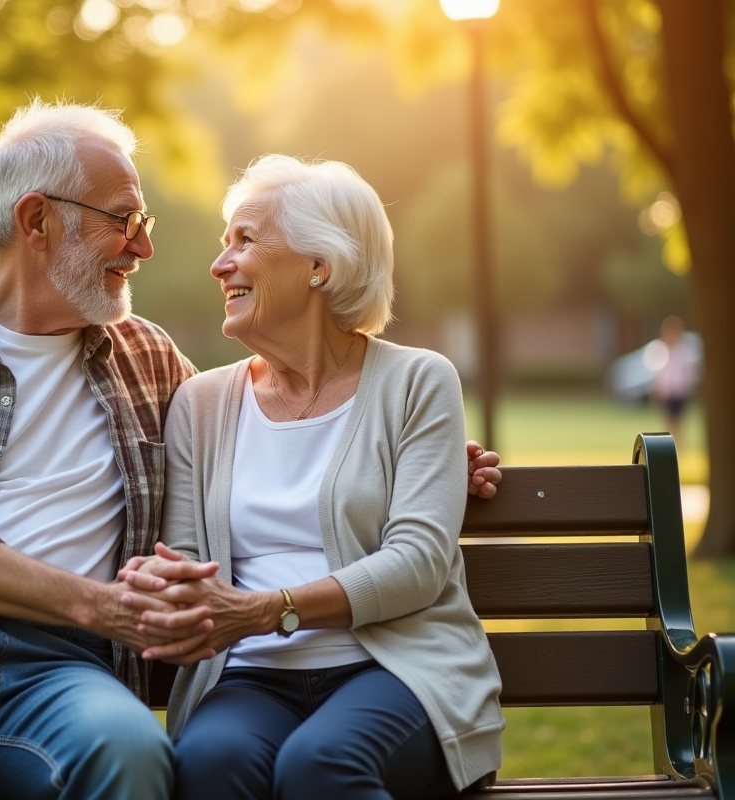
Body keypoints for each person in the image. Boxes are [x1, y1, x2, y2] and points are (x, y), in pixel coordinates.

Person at [0, 101, 502, 800]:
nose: (146, 246)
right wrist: (102, 607)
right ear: (37, 220)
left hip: (58, 668)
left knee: (135, 755)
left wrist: (426, 460)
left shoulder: (146, 358)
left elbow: (302, 424)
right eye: (124, 220)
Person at [120, 155, 505, 800]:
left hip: (395, 668)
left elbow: (417, 562)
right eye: (224, 244)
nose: (220, 265)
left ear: (319, 265)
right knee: (208, 767)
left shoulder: (416, 381)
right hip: (248, 681)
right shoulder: (201, 403)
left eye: (246, 241)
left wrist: (266, 610)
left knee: (320, 768)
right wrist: (171, 585)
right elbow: (186, 555)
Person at [651, 315, 698, 445]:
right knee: (668, 420)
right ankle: (668, 444)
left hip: (680, 390)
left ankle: (679, 445)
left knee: (679, 421)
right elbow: (657, 372)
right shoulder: (659, 348)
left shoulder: (684, 350)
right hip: (667, 391)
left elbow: (689, 371)